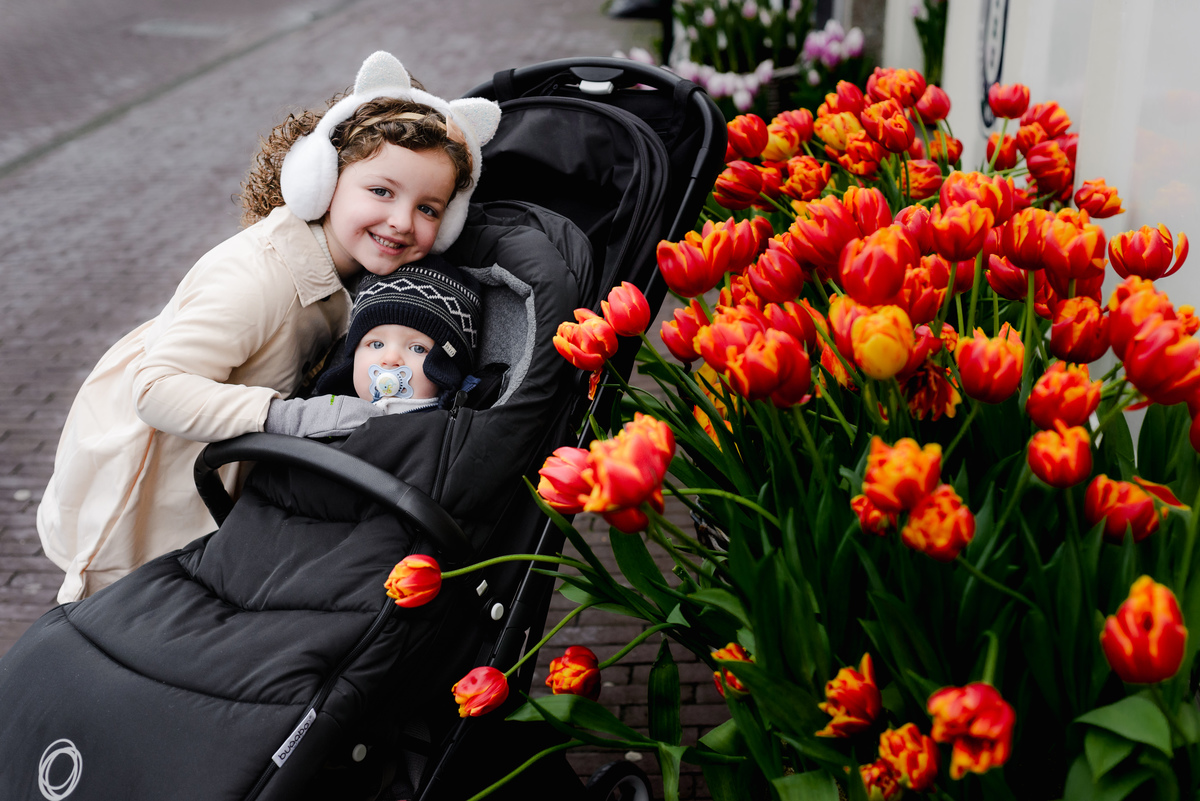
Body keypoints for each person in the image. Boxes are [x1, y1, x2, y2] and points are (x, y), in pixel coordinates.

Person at [36, 51, 501, 603]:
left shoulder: (352, 274)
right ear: (322, 181)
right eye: (381, 191)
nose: (402, 220)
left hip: (211, 478)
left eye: (429, 208)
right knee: (109, 613)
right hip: (141, 483)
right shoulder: (258, 279)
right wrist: (291, 416)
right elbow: (155, 388)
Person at [261, 256, 482, 437]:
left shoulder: (446, 432)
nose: (391, 358)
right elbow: (281, 419)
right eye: (376, 344)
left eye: (417, 348)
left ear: (448, 367)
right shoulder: (331, 407)